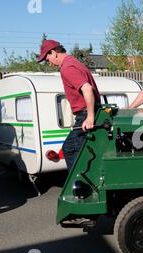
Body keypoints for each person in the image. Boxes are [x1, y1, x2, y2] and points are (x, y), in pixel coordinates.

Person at [37, 40, 100, 171]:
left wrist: (90, 117)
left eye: (47, 58)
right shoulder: (74, 62)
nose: (48, 62)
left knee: (73, 150)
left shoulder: (67, 68)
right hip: (87, 113)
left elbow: (87, 88)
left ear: (53, 53)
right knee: (75, 149)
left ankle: (80, 185)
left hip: (85, 114)